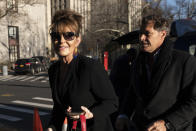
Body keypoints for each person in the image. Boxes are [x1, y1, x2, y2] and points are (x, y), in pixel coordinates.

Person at [115, 15, 196, 131]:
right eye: (140, 33)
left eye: (147, 34)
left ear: (163, 34)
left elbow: (193, 102)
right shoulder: (138, 62)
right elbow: (133, 93)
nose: (141, 38)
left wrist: (167, 123)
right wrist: (124, 115)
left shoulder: (185, 61)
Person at [47, 9, 118, 131]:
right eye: (56, 36)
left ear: (77, 40)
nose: (62, 41)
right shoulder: (53, 70)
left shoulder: (90, 67)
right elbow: (58, 108)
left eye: (68, 35)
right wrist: (51, 127)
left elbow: (112, 102)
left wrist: (90, 113)